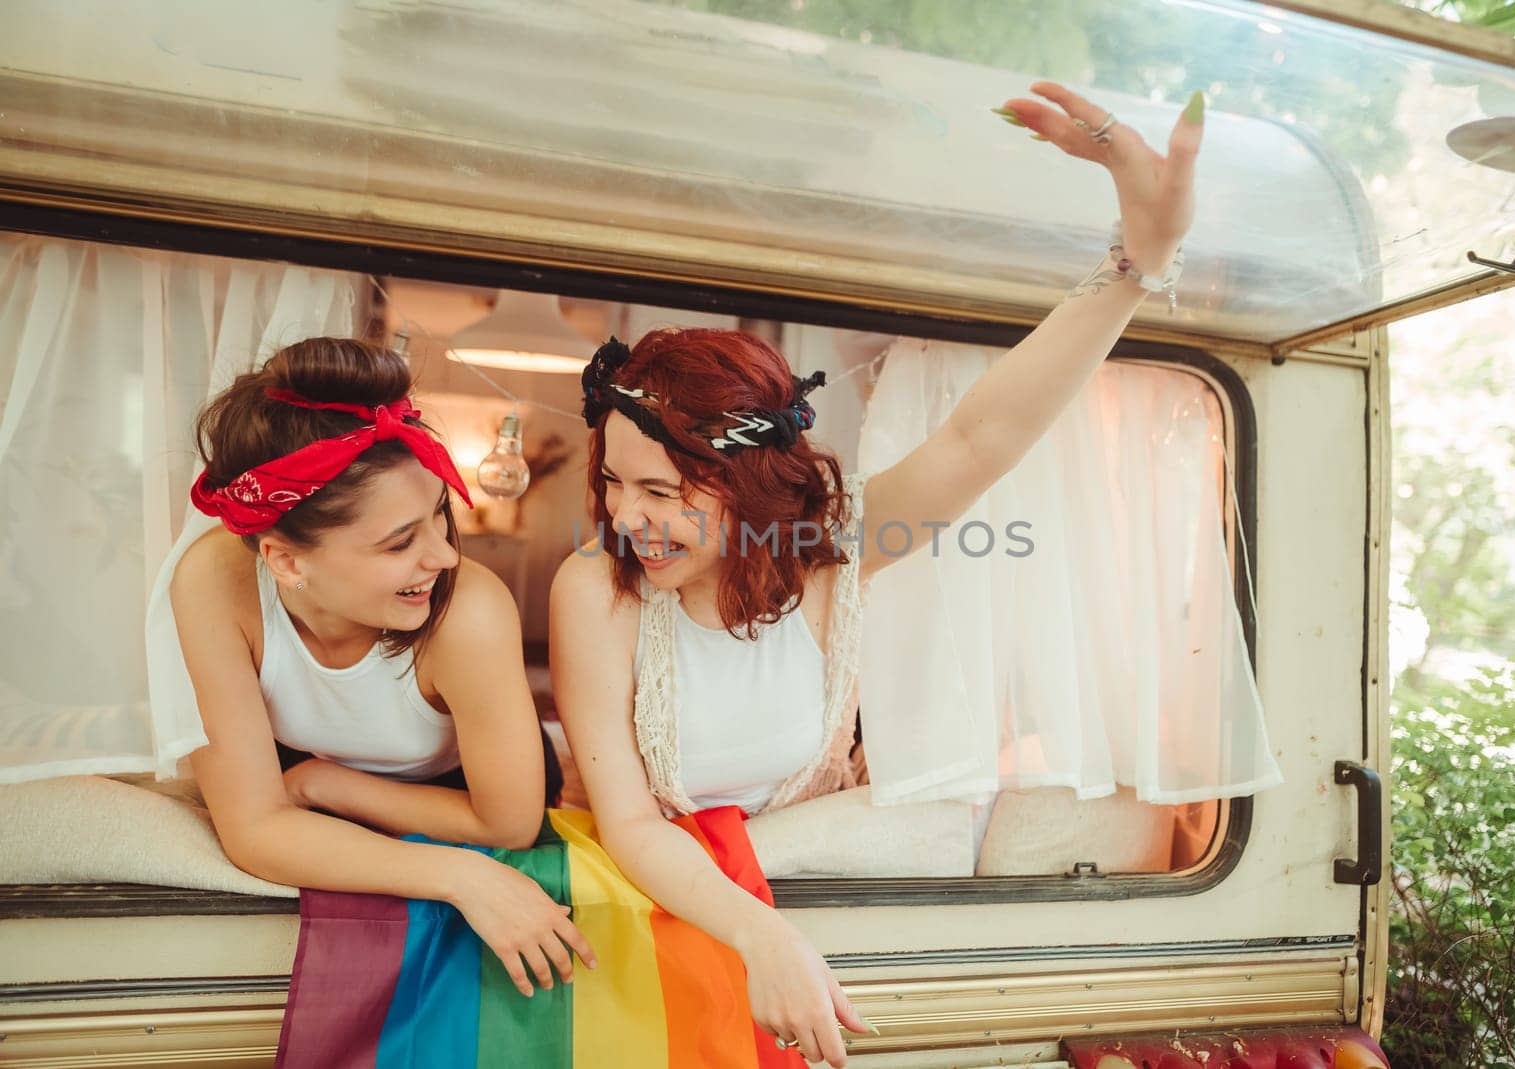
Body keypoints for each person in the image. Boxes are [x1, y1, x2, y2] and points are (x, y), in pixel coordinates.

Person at [550, 83, 1203, 1067]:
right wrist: (762, 932)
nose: (627, 517)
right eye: (611, 483)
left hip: (815, 911)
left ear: (748, 481)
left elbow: (983, 435)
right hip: (648, 910)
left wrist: (1133, 266)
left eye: (662, 488)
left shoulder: (833, 547)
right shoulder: (590, 590)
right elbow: (634, 826)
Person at [167, 337, 594, 996]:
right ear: (285, 561)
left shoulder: (471, 612)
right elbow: (252, 828)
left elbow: (509, 821)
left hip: (453, 787)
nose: (446, 558)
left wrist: (325, 787)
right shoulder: (212, 584)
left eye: (438, 519)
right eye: (400, 542)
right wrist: (460, 875)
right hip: (301, 772)